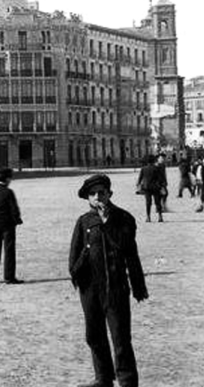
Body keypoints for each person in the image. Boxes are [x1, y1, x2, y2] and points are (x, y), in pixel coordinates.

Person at [69, 174, 148, 387]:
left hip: (115, 285)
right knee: (93, 335)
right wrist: (76, 274)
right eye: (93, 194)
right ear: (88, 198)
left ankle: (127, 381)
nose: (97, 197)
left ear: (109, 194)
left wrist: (107, 222)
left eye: (101, 193)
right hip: (90, 288)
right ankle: (103, 378)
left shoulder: (124, 218)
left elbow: (127, 249)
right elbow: (75, 251)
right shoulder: (84, 221)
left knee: (121, 338)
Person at [135, 155, 164, 222]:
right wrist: (162, 186)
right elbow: (160, 178)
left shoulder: (143, 168)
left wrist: (138, 185)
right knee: (157, 202)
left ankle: (148, 217)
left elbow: (140, 178)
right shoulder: (156, 168)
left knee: (148, 203)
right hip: (155, 187)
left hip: (146, 187)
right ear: (154, 161)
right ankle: (160, 217)